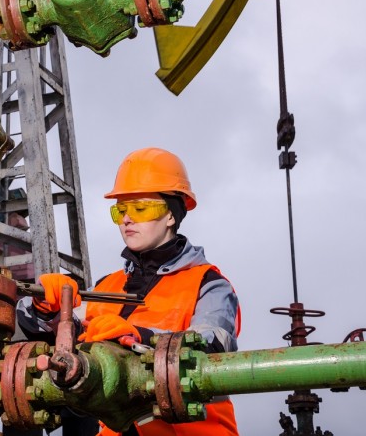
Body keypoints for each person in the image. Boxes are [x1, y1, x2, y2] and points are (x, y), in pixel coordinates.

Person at [17, 147, 241, 436]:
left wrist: (139, 337)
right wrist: (46, 308)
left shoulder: (207, 283)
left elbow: (214, 346)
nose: (127, 219)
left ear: (171, 214)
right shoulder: (106, 287)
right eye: (121, 210)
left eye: (140, 208)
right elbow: (61, 336)